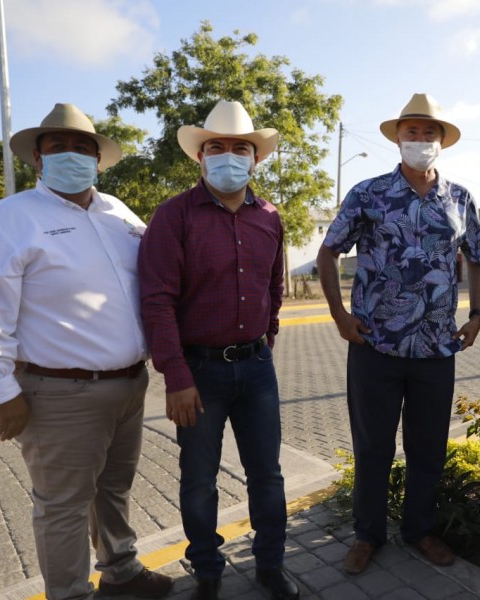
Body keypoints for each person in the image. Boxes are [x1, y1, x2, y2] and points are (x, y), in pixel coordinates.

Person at [0, 104, 173, 600]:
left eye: (83, 148)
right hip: (57, 392)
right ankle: (69, 593)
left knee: (113, 490)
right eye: (58, 147)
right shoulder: (9, 219)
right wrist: (2, 392)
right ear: (37, 158)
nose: (72, 155)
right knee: (63, 505)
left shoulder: (119, 213)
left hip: (130, 384)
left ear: (98, 158)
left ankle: (121, 571)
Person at [316, 93, 480, 574]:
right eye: (411, 131)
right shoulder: (368, 194)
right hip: (375, 345)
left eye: (428, 132)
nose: (420, 139)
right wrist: (338, 315)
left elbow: (478, 258)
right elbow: (329, 251)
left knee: (428, 448)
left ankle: (419, 531)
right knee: (372, 447)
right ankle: (367, 536)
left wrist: (476, 315)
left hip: (436, 348)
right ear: (397, 138)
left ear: (441, 141)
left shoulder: (460, 200)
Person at [137, 100, 298, 600]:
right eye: (217, 147)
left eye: (239, 148)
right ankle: (207, 572)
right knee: (199, 480)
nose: (229, 156)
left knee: (267, 475)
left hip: (256, 369)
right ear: (200, 157)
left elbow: (275, 286)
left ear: (256, 158)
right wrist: (177, 377)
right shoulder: (173, 217)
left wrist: (265, 338)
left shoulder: (270, 217)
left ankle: (270, 564)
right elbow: (157, 300)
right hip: (199, 376)